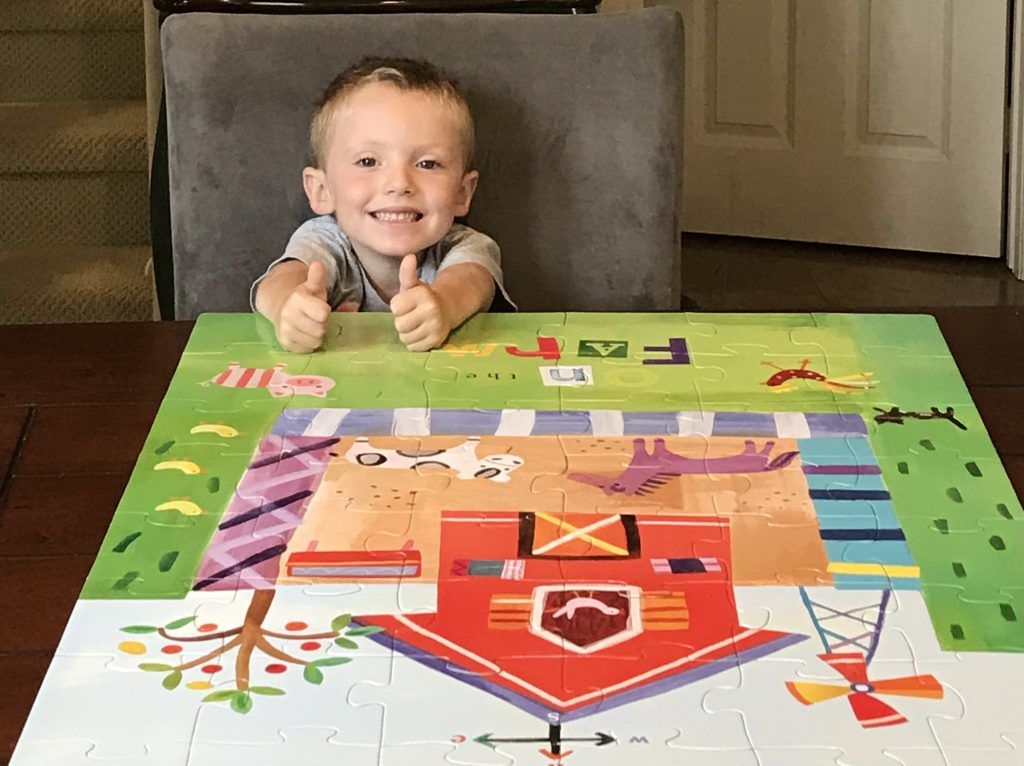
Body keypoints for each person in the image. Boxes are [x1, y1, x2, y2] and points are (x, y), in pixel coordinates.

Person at [252, 56, 514, 353]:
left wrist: (444, 305)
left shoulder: (465, 246)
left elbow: (471, 282)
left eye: (427, 164)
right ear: (322, 190)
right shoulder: (325, 241)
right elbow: (278, 282)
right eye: (368, 161)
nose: (399, 183)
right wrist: (289, 308)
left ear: (462, 193)